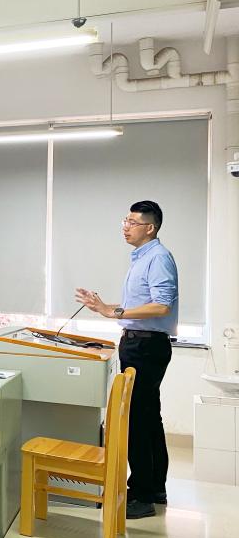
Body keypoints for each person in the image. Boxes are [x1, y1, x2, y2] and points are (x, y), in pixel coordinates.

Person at [76, 200, 178, 520]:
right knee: (149, 419)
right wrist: (104, 307)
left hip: (146, 346)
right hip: (141, 343)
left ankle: (142, 496)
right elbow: (140, 306)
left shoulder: (158, 258)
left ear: (150, 227)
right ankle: (155, 488)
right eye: (125, 220)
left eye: (133, 222)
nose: (126, 227)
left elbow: (161, 305)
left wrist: (115, 312)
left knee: (137, 420)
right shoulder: (143, 258)